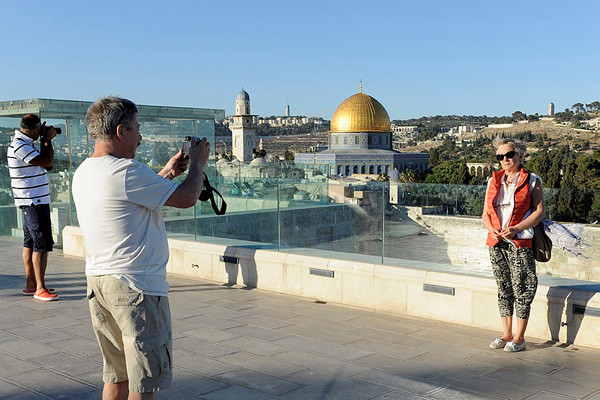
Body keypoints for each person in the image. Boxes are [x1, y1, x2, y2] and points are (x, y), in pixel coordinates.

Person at [72, 96, 209, 399]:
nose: (141, 136)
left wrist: (168, 173)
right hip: (136, 289)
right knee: (144, 383)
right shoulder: (125, 171)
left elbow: (130, 201)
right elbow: (187, 198)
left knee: (116, 377)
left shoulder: (84, 172)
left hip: (100, 283)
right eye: (136, 128)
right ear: (121, 131)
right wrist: (197, 165)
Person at [482, 138, 545, 352]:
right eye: (500, 156)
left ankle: (519, 337)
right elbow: (485, 214)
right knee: (503, 287)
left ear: (520, 156)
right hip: (497, 242)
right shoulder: (494, 181)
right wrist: (492, 229)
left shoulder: (532, 180)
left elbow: (539, 212)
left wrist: (516, 228)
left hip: (520, 242)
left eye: (509, 155)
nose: (505, 160)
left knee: (523, 286)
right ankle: (506, 333)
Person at [7, 114, 59, 301]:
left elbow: (45, 164)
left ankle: (32, 284)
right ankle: (40, 288)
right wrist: (47, 141)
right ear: (36, 128)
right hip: (33, 201)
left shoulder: (24, 144)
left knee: (29, 243)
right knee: (41, 244)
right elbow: (47, 162)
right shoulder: (20, 145)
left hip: (32, 201)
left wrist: (45, 140)